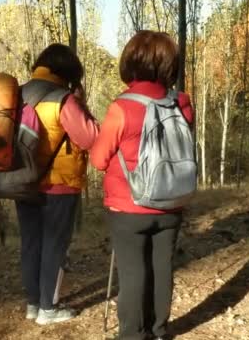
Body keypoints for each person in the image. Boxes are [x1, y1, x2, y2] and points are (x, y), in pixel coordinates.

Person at [90, 31, 194, 340]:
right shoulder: (182, 103)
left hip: (129, 205)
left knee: (134, 272)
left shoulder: (122, 107)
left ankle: (132, 335)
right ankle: (159, 331)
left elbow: (98, 159)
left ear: (132, 62)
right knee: (162, 268)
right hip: (173, 199)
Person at [15, 43, 99, 325]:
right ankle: (48, 310)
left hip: (24, 181)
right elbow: (90, 138)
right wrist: (82, 104)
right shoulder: (63, 99)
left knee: (31, 244)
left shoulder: (20, 93)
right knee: (54, 245)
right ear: (67, 72)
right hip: (58, 184)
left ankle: (33, 304)